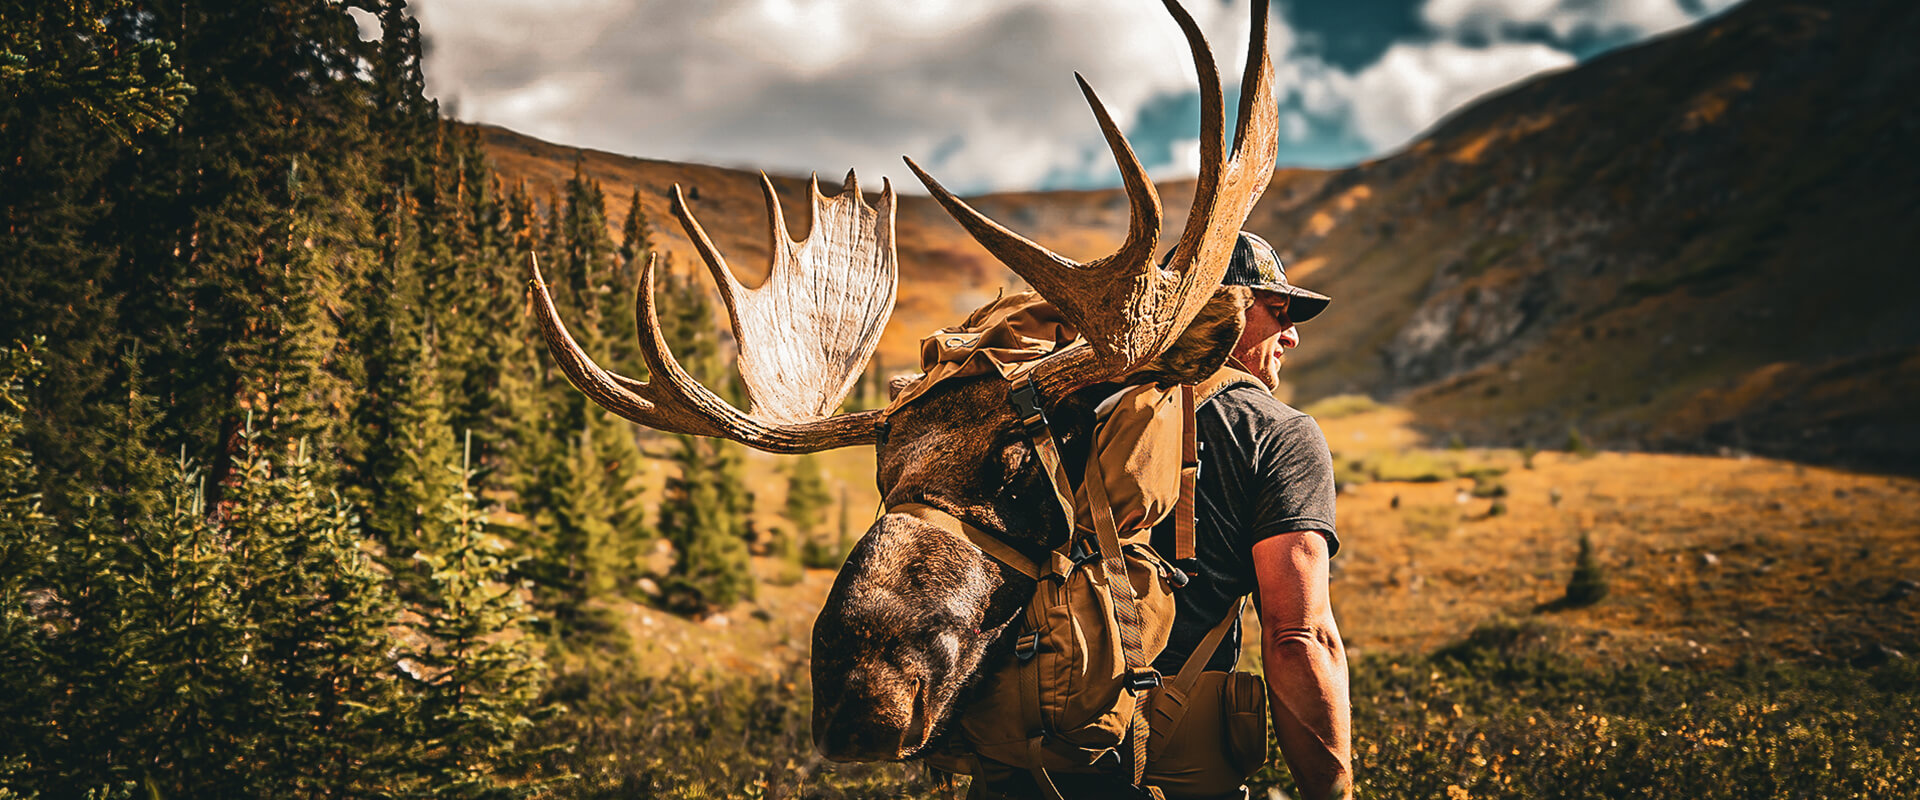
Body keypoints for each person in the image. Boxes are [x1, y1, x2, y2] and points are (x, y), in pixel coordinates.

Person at [1148, 231, 1352, 800]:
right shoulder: (1277, 432)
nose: (1292, 335)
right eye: (1278, 310)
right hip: (1163, 762)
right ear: (1225, 310)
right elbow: (1298, 637)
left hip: (1020, 758)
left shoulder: (1075, 409)